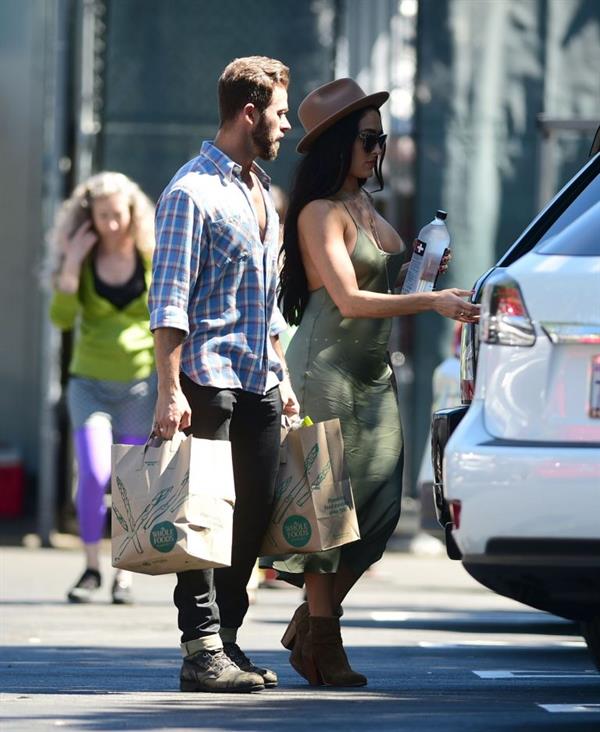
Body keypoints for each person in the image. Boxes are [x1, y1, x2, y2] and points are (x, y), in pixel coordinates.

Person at [267, 78, 480, 687]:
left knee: (383, 510)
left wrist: (430, 287)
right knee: (328, 516)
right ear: (338, 143)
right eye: (366, 138)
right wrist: (432, 301)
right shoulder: (318, 212)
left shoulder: (366, 208)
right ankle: (324, 643)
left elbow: (397, 288)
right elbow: (350, 300)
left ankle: (310, 625)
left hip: (370, 374)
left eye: (380, 138)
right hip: (325, 370)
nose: (376, 148)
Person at [149, 56, 299, 694]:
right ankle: (200, 648)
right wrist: (167, 388)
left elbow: (262, 300)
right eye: (280, 112)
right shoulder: (190, 193)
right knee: (202, 518)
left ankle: (229, 642)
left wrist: (283, 374)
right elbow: (170, 300)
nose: (286, 125)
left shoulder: (261, 191)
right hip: (206, 379)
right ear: (249, 112)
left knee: (250, 515)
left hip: (259, 378)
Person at [49, 171, 157, 605]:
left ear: (132, 215)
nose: (112, 224)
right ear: (89, 217)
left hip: (139, 385)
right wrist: (72, 261)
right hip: (89, 383)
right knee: (94, 473)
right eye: (102, 216)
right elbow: (60, 318)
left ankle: (124, 574)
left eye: (119, 215)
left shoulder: (150, 256)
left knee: (129, 483)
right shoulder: (84, 259)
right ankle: (91, 567)